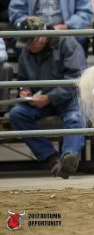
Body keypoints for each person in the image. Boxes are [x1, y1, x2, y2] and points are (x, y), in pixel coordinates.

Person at [8, 16, 87, 178]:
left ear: (42, 36)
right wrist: (24, 90)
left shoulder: (67, 43)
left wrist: (50, 97)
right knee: (17, 114)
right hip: (40, 100)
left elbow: (76, 80)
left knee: (75, 117)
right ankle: (52, 158)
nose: (28, 47)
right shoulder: (27, 50)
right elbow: (23, 79)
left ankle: (69, 156)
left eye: (31, 43)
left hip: (68, 98)